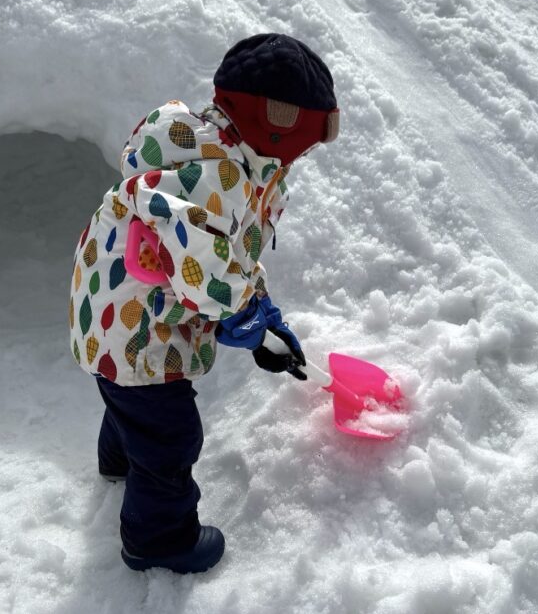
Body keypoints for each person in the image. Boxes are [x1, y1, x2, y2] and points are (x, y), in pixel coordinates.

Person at [69, 33, 339, 573]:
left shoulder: (235, 160)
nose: (304, 157)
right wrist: (243, 320)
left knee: (133, 405)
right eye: (303, 144)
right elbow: (206, 272)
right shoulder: (215, 174)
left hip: (114, 312)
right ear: (273, 124)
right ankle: (158, 540)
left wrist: (263, 312)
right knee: (170, 436)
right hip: (138, 330)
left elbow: (231, 251)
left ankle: (119, 460)